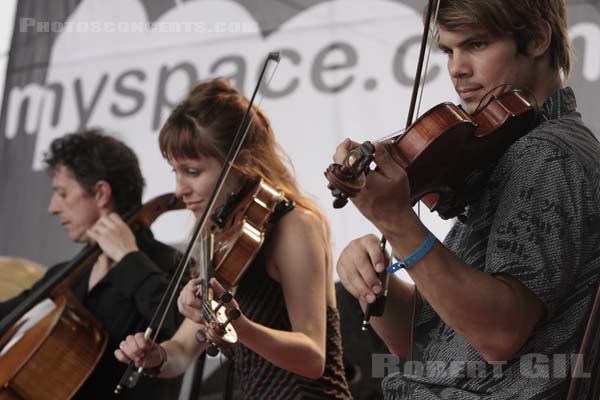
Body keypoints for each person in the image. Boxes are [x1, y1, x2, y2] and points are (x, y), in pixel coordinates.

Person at [333, 0, 600, 399]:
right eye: (449, 50)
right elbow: (426, 344)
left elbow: (499, 333)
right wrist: (377, 285)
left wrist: (398, 224)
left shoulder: (548, 155)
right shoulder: (508, 148)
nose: (457, 68)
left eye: (476, 45)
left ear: (539, 39)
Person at [115, 78, 352, 399]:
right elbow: (184, 349)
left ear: (242, 163)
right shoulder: (220, 236)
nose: (179, 190)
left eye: (193, 172)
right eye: (176, 171)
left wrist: (236, 325)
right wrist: (158, 356)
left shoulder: (295, 224)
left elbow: (312, 358)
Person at [0, 129, 183, 400]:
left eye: (62, 193)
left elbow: (181, 328)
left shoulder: (170, 265)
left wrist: (128, 258)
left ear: (100, 193)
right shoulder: (67, 275)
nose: (52, 207)